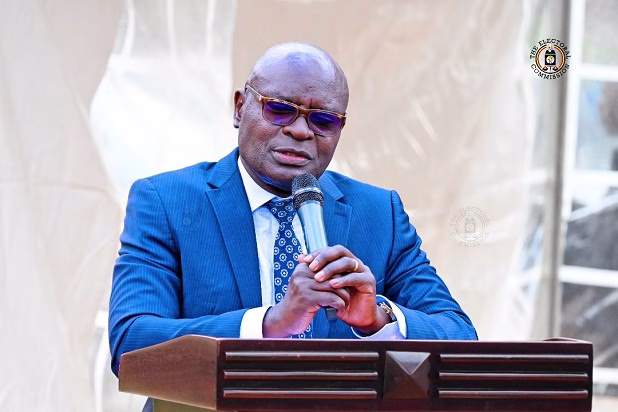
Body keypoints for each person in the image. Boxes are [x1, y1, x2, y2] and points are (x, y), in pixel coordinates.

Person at [108, 42, 477, 378]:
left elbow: (461, 338)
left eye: (323, 120)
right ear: (240, 108)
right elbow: (130, 345)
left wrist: (377, 319)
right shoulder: (166, 202)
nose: (301, 131)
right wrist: (271, 324)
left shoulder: (380, 214)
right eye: (280, 110)